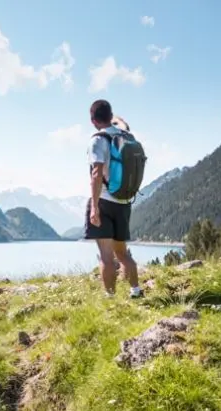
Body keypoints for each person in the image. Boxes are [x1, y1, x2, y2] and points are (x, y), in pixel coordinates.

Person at [83, 99, 143, 299]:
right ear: (111, 116)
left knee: (106, 256)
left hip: (105, 201)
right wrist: (114, 119)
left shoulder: (98, 140)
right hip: (124, 202)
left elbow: (97, 174)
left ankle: (110, 298)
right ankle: (136, 291)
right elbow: (123, 122)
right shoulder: (126, 135)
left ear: (93, 120)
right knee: (123, 253)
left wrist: (94, 207)